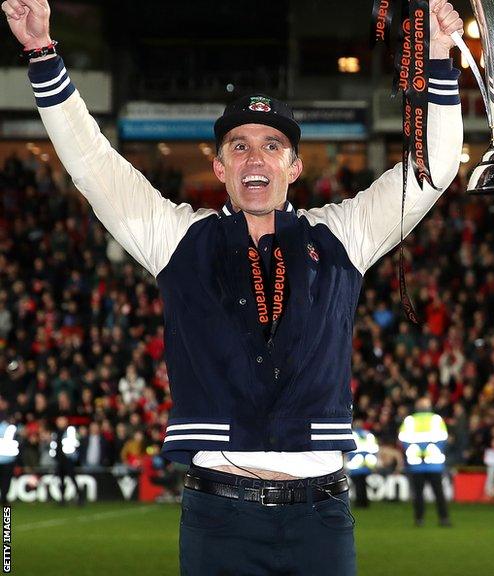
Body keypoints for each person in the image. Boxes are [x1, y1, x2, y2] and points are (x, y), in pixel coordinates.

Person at [2, 0, 463, 573]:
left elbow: (435, 168)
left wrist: (440, 59)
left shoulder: (344, 233)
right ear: (219, 167)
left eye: (272, 145)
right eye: (239, 145)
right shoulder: (178, 238)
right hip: (218, 519)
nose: (255, 157)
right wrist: (43, 54)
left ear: (294, 167)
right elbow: (95, 167)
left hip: (321, 520)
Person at [399, 397, 452, 527]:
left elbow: (403, 440)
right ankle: (443, 519)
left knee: (418, 494)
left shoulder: (409, 420)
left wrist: (416, 452)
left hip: (416, 464)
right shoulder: (436, 419)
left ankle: (419, 520)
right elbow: (443, 439)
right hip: (434, 463)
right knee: (439, 493)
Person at [50, 415, 82, 506]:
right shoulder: (56, 433)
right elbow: (54, 446)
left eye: (61, 421)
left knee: (72, 478)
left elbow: (77, 442)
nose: (60, 423)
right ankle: (62, 499)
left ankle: (79, 497)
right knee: (61, 480)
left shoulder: (70, 432)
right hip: (60, 460)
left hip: (68, 460)